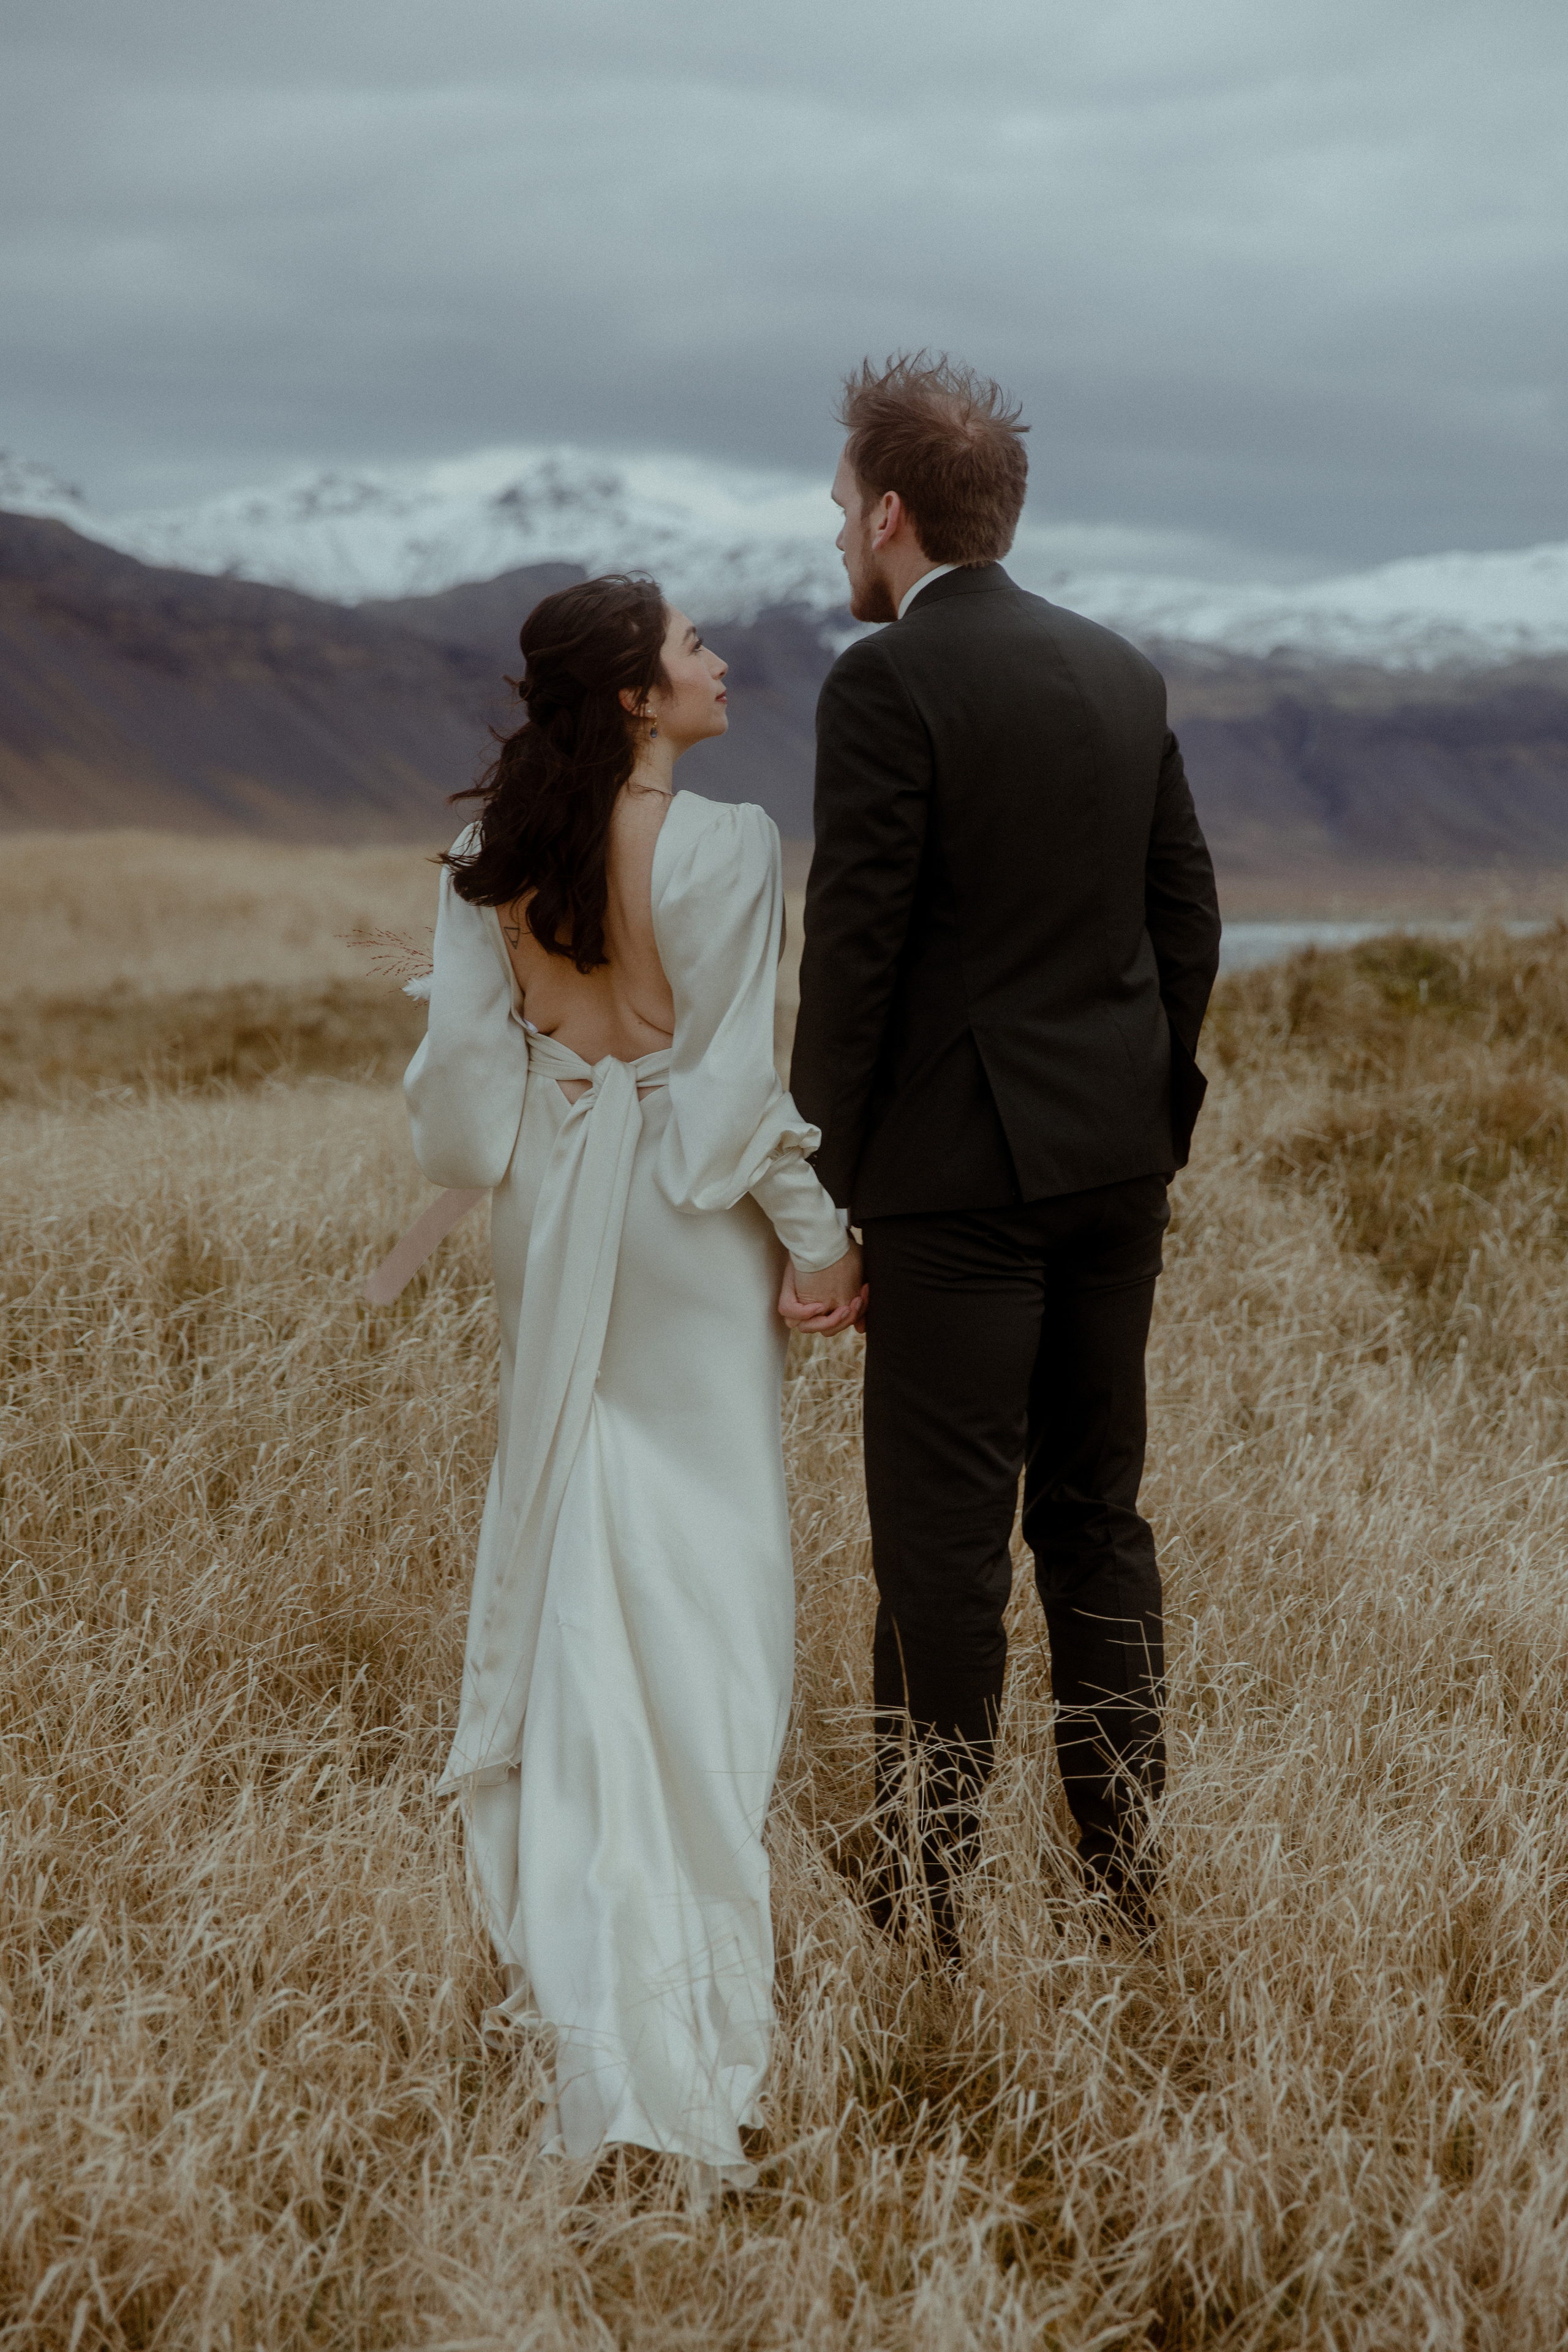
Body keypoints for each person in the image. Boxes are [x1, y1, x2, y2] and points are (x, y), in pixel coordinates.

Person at [402, 573, 862, 2188]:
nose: (717, 663)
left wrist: (535, 1123)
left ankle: (585, 1929)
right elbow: (733, 1088)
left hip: (554, 1211)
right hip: (686, 1226)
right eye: (689, 649)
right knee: (715, 1563)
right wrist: (818, 1243)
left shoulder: (489, 869)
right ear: (633, 698)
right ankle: (684, 1939)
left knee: (578, 1518)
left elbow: (461, 1109)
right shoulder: (727, 848)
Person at [786, 355, 1222, 1949]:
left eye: (843, 506)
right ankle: (1122, 1885)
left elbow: (856, 960)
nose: (840, 533)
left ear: (891, 514)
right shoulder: (1121, 673)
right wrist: (1149, 1108)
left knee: (946, 1547)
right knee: (1097, 1515)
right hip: (1117, 1167)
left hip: (959, 1188)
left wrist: (816, 1200)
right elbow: (1188, 920)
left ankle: (929, 1906)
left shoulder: (885, 683)